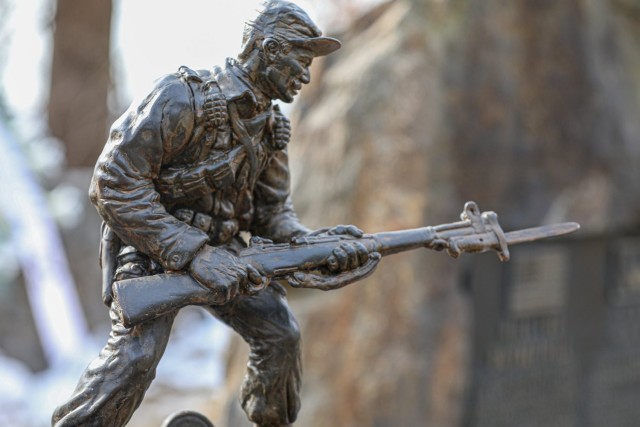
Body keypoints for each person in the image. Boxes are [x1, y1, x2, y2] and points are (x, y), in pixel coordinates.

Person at [52, 2, 377, 426]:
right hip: (154, 252)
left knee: (280, 335)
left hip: (227, 258)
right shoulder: (179, 97)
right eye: (300, 61)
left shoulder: (270, 127)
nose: (305, 75)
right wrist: (194, 253)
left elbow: (272, 216)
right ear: (270, 49)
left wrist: (318, 248)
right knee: (136, 356)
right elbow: (113, 183)